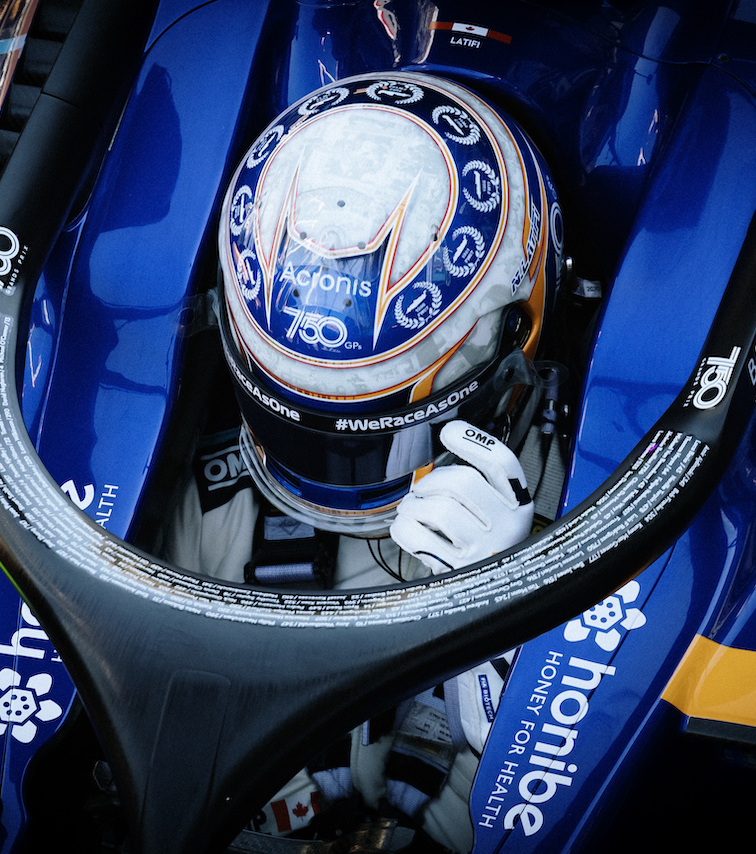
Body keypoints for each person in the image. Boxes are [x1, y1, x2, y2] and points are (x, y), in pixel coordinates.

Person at [152, 70, 569, 852]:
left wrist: (519, 632)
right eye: (305, 422)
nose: (336, 465)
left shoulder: (602, 507)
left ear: (518, 335)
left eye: (375, 435)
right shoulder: (212, 517)